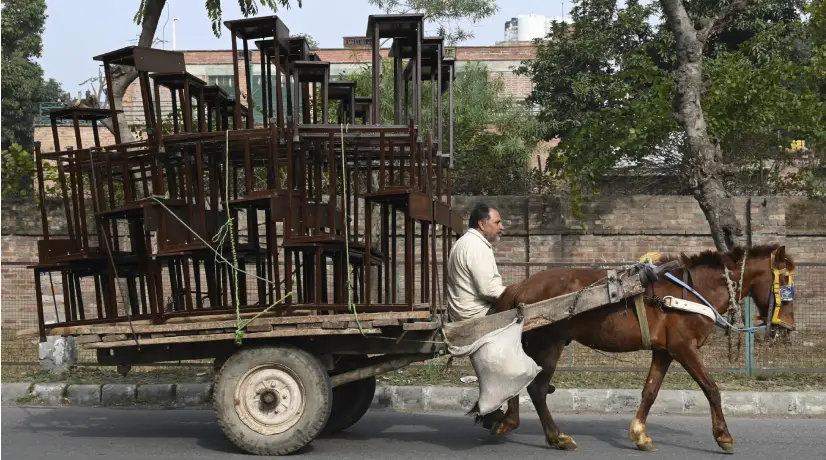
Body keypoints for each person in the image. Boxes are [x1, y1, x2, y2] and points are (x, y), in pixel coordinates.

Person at [446, 202, 507, 323]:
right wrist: (515, 293)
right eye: (497, 222)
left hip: (461, 313)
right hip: (476, 314)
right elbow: (488, 290)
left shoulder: (464, 241)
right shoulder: (477, 246)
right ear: (482, 224)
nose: (502, 227)